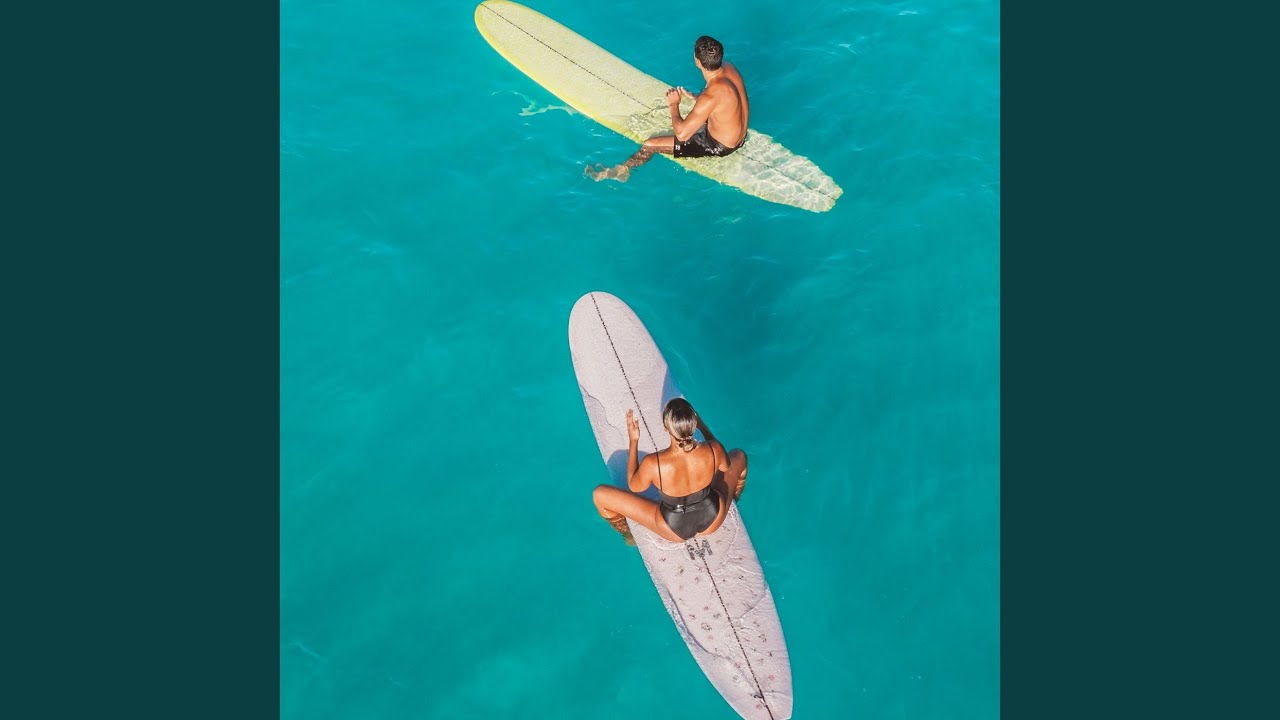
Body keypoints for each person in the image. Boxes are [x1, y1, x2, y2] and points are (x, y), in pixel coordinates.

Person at [585, 35, 750, 183]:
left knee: (650, 144)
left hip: (721, 145)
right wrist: (698, 98)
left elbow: (682, 134)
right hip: (740, 135)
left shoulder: (709, 97)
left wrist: (673, 104)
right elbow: (723, 97)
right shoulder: (729, 67)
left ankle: (623, 170)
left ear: (697, 61)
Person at [592, 398, 748, 545]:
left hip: (673, 529)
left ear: (665, 428)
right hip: (714, 518)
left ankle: (627, 534)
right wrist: (703, 427)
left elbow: (634, 485)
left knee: (599, 495)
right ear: (693, 424)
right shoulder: (714, 449)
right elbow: (725, 466)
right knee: (739, 455)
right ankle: (734, 498)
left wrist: (633, 441)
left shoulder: (653, 463)